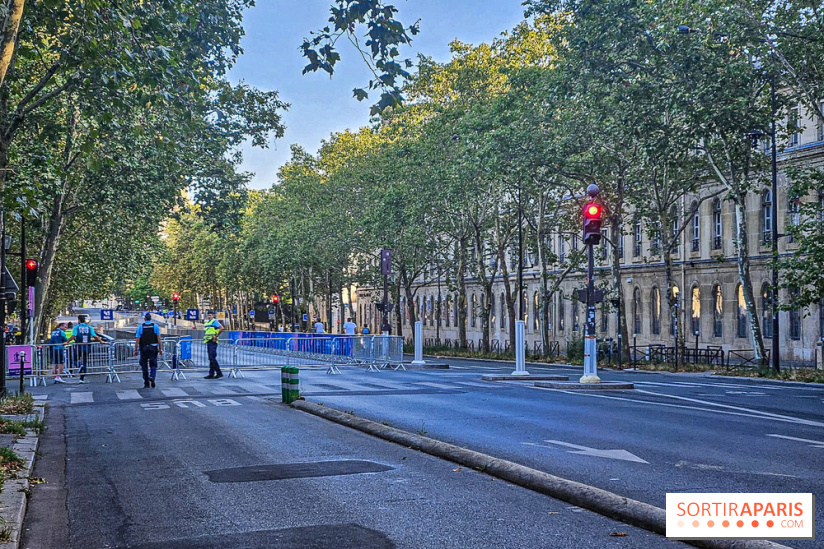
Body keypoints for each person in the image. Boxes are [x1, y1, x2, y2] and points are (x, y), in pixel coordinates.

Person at [67, 315, 104, 383]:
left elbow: (74, 335)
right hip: (87, 347)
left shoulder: (77, 327)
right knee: (84, 361)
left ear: (79, 320)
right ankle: (82, 379)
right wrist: (101, 341)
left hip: (79, 346)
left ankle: (79, 366)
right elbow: (94, 336)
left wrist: (67, 342)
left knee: (73, 359)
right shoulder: (89, 327)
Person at [134, 313, 163, 388]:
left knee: (144, 365)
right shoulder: (155, 326)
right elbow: (159, 338)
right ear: (150, 318)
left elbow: (137, 339)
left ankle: (146, 382)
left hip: (143, 348)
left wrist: (135, 350)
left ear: (144, 319)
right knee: (153, 364)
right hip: (153, 348)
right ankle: (152, 377)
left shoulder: (141, 327)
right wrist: (160, 348)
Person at [203, 312, 223, 379]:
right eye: (208, 315)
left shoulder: (214, 321)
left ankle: (218, 372)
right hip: (208, 341)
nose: (209, 316)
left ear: (213, 315)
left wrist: (216, 336)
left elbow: (221, 328)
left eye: (210, 315)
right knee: (211, 358)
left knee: (212, 358)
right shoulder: (207, 323)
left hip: (213, 341)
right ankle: (211, 373)